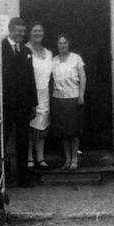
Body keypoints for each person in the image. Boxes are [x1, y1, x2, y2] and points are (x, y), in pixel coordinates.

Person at [0, 17, 38, 187]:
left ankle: (22, 179)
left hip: (22, 105)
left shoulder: (26, 51)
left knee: (23, 141)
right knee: (1, 140)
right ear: (10, 30)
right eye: (18, 31)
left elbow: (30, 79)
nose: (21, 34)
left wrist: (33, 103)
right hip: (3, 104)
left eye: (23, 31)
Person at [51, 33, 86, 171]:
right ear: (57, 45)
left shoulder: (76, 58)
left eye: (65, 43)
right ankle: (67, 159)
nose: (62, 45)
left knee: (74, 131)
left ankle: (75, 159)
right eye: (60, 43)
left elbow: (83, 77)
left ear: (69, 44)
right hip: (58, 98)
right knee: (62, 132)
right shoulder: (53, 60)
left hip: (73, 97)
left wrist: (81, 95)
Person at [26, 21, 53, 169]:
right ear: (30, 33)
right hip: (31, 93)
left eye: (40, 31)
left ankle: (40, 157)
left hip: (45, 94)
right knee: (30, 125)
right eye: (35, 31)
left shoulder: (48, 53)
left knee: (42, 125)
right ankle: (29, 157)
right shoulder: (25, 50)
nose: (38, 33)